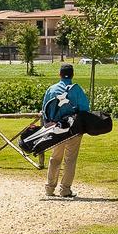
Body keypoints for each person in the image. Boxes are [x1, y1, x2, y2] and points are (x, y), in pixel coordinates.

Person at [42, 63, 90, 198]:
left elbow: (44, 109)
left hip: (56, 129)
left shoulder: (51, 90)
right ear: (73, 74)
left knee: (55, 158)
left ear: (60, 74)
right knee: (70, 160)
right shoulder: (76, 90)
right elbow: (85, 109)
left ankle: (50, 188)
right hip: (73, 130)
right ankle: (65, 189)